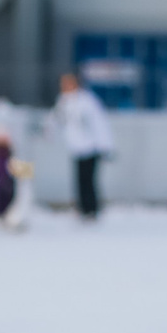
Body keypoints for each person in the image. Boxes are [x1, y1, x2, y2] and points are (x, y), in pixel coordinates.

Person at [52, 71, 115, 221]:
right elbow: (56, 121)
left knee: (89, 180)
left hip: (91, 147)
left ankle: (92, 209)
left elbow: (100, 124)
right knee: (79, 180)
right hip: (75, 147)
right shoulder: (63, 101)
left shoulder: (87, 101)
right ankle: (82, 209)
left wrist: (106, 146)